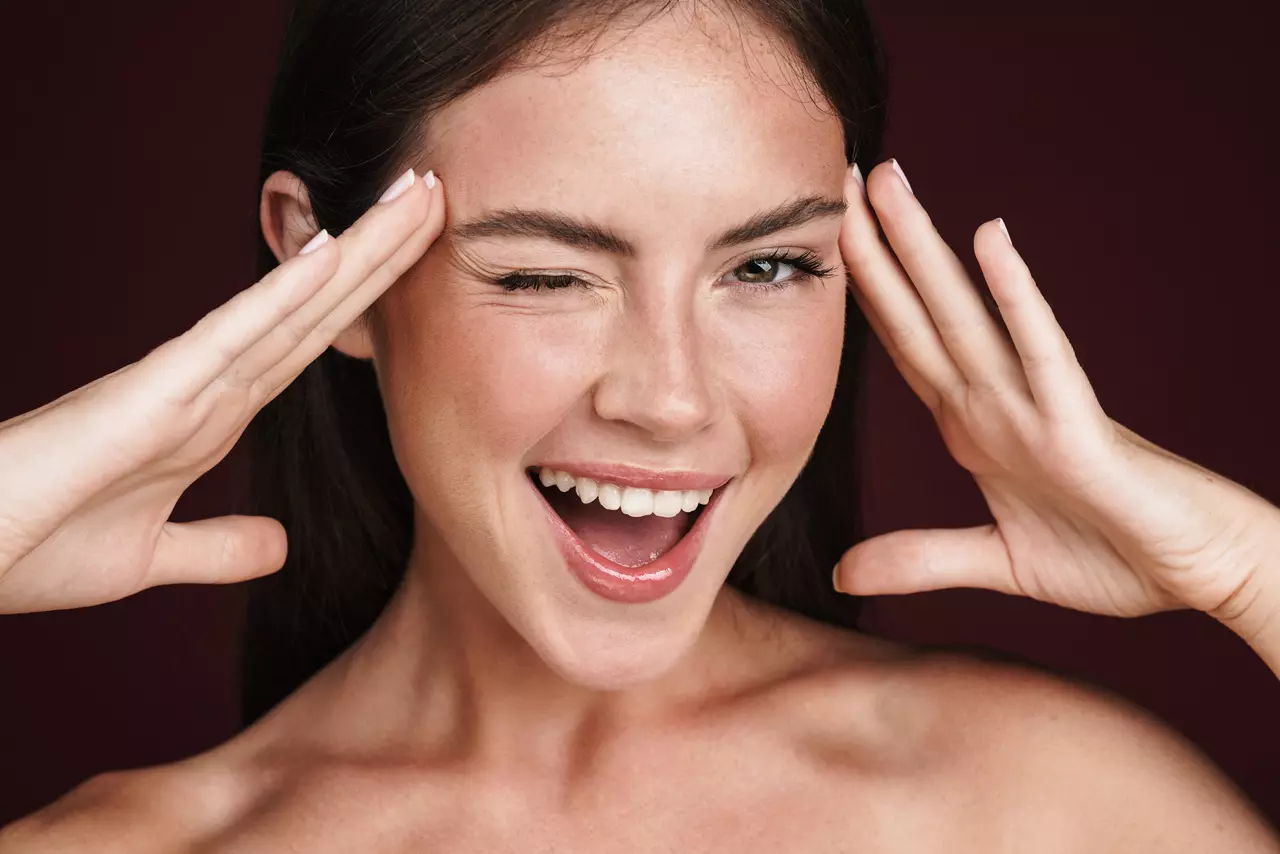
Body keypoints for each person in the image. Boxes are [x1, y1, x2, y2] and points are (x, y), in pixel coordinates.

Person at [1, 0, 1277, 849]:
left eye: (766, 267)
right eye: (548, 273)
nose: (669, 397)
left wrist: (1250, 573)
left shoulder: (1038, 809)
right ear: (320, 269)